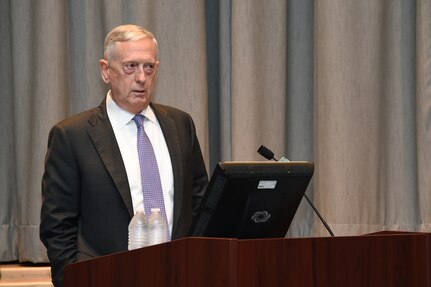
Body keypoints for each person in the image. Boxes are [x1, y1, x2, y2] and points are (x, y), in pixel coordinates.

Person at [40, 24, 208, 287]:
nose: (141, 77)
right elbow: (57, 226)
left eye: (149, 67)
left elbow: (199, 205)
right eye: (131, 67)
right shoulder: (72, 136)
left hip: (179, 275)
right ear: (106, 71)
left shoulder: (180, 124)